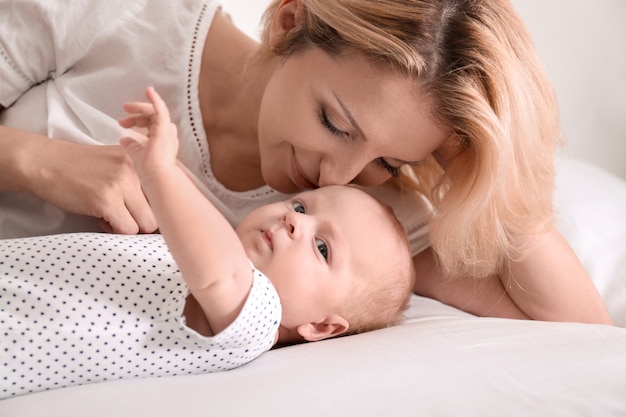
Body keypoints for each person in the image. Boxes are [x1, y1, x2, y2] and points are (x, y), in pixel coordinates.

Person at [0, 0, 612, 324]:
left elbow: (575, 335)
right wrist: (33, 161)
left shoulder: (361, 221)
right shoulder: (126, 17)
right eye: (336, 124)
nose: (338, 176)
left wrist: (486, 162)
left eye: (390, 162)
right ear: (290, 20)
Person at [0, 87, 415, 399]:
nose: (293, 222)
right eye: (302, 208)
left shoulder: (257, 323)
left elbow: (222, 272)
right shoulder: (198, 264)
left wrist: (161, 171)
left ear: (321, 326)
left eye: (322, 248)